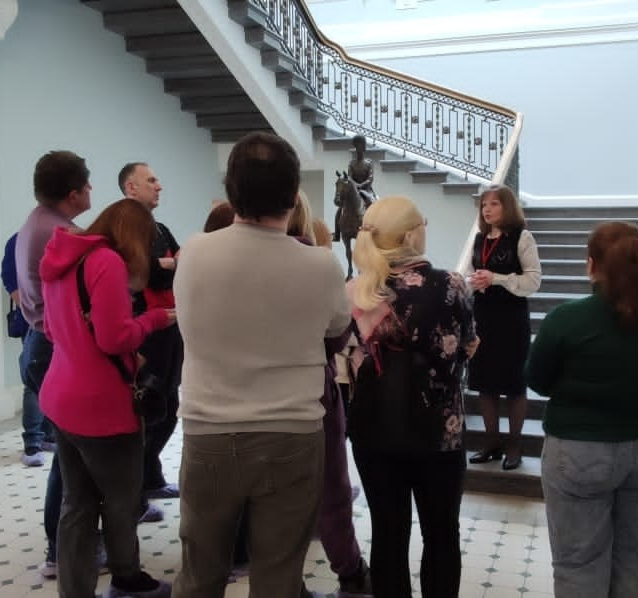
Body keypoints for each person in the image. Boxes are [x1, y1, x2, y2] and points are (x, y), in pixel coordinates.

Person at [172, 132, 351, 597]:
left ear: (231, 193)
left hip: (208, 430)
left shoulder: (194, 252)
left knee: (199, 574)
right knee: (278, 576)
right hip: (291, 432)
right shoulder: (321, 265)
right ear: (294, 196)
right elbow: (337, 330)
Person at [525, 221, 638, 598]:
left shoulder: (567, 319)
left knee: (579, 562)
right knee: (632, 554)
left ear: (591, 264)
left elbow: (538, 380)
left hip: (580, 450)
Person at [40, 198, 175, 598]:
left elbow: (52, 330)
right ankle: (127, 577)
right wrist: (154, 320)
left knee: (77, 503)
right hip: (102, 405)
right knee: (121, 499)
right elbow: (114, 338)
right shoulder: (107, 263)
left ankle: (75, 590)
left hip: (61, 396)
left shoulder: (62, 259)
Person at [346, 195, 476, 597]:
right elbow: (468, 343)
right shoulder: (451, 286)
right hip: (439, 430)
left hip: (374, 429)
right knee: (441, 533)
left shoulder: (355, 292)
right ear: (410, 236)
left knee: (388, 533)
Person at [17, 150, 93, 576]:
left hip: (41, 343)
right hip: (55, 346)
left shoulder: (37, 221)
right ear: (74, 192)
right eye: (87, 184)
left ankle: (64, 545)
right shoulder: (62, 233)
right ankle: (60, 549)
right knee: (73, 457)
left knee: (71, 453)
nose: (91, 190)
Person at [119, 162, 182, 521]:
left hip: (169, 327)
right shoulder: (124, 228)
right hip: (144, 331)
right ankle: (135, 493)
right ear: (131, 187)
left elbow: (177, 262)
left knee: (169, 405)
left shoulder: (160, 228)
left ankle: (151, 475)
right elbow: (144, 273)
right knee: (148, 407)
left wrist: (168, 263)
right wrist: (166, 264)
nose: (159, 186)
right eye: (151, 180)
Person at [462, 185, 541, 470]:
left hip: (512, 318)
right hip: (483, 317)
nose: (487, 209)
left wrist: (497, 278)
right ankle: (492, 443)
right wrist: (473, 282)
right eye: (484, 204)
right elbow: (469, 277)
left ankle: (514, 446)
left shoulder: (522, 237)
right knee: (484, 383)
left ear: (507, 207)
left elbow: (533, 281)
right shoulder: (479, 239)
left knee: (514, 384)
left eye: (494, 204)